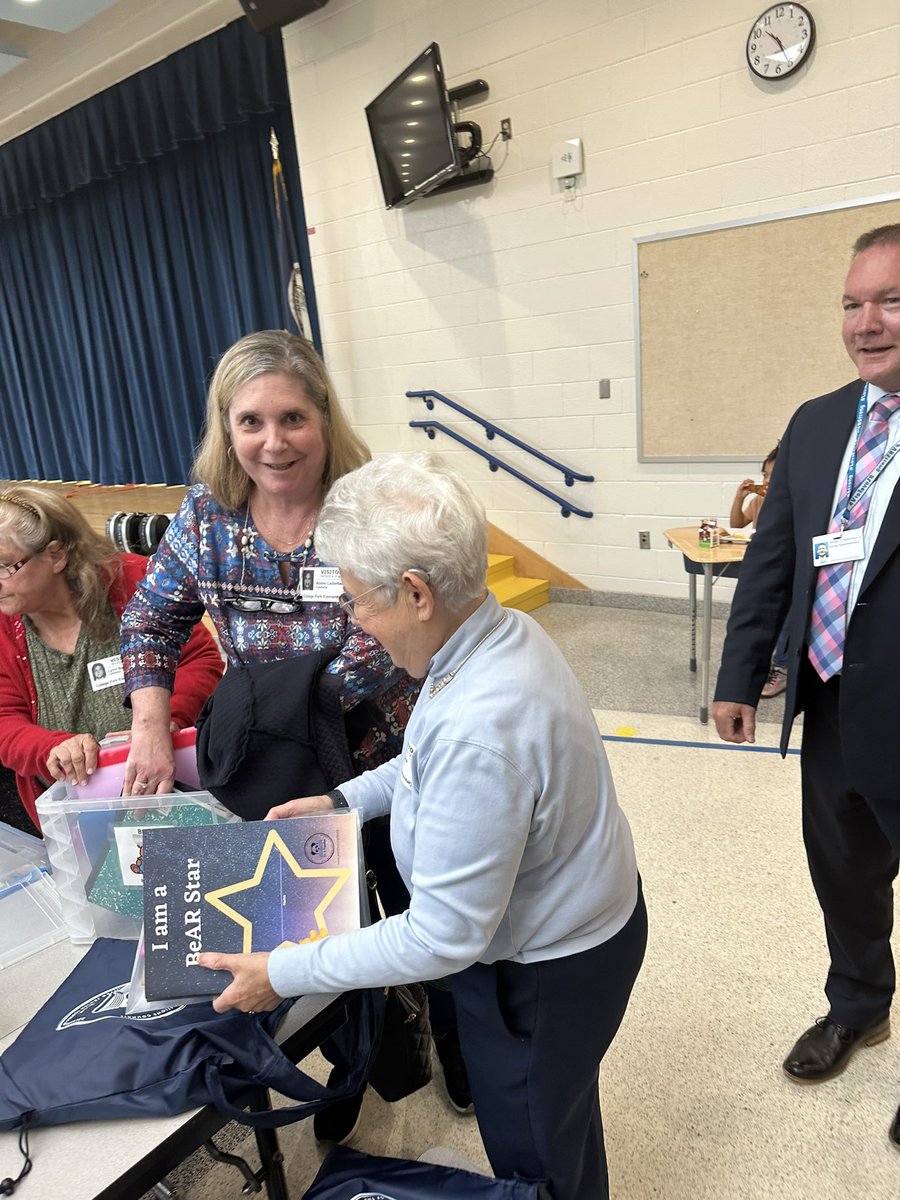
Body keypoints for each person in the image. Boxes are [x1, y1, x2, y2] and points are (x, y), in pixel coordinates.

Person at [197, 452, 647, 1200]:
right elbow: (419, 762)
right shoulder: (492, 632)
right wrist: (344, 801)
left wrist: (281, 974)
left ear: (415, 593)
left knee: (536, 1157)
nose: (353, 622)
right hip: (585, 926)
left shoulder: (484, 724)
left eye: (357, 603)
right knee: (560, 1119)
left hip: (541, 976)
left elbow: (442, 936)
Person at [118, 331, 459, 1136]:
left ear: (324, 418)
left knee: (421, 911)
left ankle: (454, 1040)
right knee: (310, 926)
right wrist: (150, 726)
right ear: (226, 428)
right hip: (273, 771)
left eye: (293, 418)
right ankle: (356, 1062)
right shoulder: (207, 515)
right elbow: (150, 618)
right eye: (251, 421)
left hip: (385, 758)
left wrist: (272, 705)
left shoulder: (369, 504)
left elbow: (391, 635)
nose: (274, 442)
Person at [713, 224, 900, 1150]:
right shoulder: (818, 422)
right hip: (829, 706)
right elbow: (772, 561)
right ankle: (860, 1006)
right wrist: (739, 674)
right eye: (852, 302)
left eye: (891, 301)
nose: (867, 323)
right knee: (846, 876)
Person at [0, 487, 223, 831]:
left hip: (180, 789)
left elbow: (201, 659)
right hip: (78, 820)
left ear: (55, 556)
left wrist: (167, 720)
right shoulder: (5, 624)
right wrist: (51, 748)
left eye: (5, 567)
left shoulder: (133, 581)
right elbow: (4, 720)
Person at [729, 444, 789, 698]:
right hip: (764, 564)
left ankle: (783, 668)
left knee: (787, 618)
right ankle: (760, 665)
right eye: (764, 475)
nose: (766, 481)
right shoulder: (759, 500)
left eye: (773, 476)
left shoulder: (792, 500)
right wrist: (740, 497)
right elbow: (736, 524)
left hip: (786, 565)